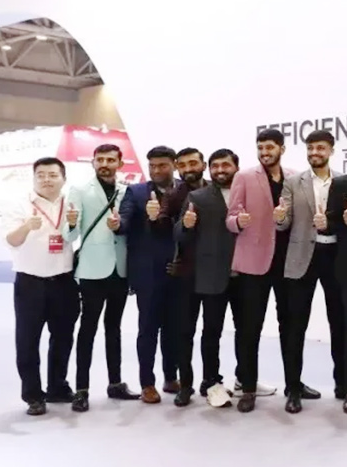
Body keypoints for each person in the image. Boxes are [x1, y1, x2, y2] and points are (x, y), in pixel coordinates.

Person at [226, 129, 297, 412]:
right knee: (249, 329)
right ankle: (248, 388)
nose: (264, 152)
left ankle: (294, 387)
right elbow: (230, 217)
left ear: (281, 149)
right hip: (253, 263)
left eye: (270, 147)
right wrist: (238, 222)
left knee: (290, 328)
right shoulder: (244, 177)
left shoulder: (294, 177)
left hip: (287, 264)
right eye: (260, 147)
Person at [276, 130, 343, 413]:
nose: (315, 152)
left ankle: (344, 385)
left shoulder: (343, 181)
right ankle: (293, 388)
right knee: (295, 326)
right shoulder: (293, 182)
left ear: (331, 150)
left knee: (340, 323)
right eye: (310, 148)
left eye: (320, 148)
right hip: (301, 257)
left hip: (335, 258)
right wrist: (279, 219)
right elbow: (284, 221)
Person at [68, 143, 139, 410]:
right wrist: (71, 223)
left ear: (120, 163)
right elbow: (71, 235)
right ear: (93, 162)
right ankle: (81, 389)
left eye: (110, 160)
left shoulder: (127, 190)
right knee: (87, 329)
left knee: (114, 328)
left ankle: (115, 383)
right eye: (100, 160)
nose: (105, 164)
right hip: (92, 270)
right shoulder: (79, 190)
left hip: (120, 270)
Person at [8, 157, 80, 416]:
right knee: (27, 341)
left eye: (52, 175)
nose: (47, 180)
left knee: (63, 338)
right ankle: (33, 395)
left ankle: (57, 387)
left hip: (64, 281)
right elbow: (12, 240)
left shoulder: (72, 203)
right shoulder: (21, 203)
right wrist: (27, 226)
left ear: (63, 178)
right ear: (34, 178)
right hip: (31, 282)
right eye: (41, 175)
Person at [173, 149, 240, 408]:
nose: (220, 170)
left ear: (236, 167)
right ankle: (185, 385)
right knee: (186, 333)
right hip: (195, 275)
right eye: (216, 166)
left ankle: (212, 382)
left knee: (213, 332)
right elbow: (179, 234)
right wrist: (186, 224)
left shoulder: (244, 193)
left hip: (229, 275)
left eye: (226, 165)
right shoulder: (197, 196)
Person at [118, 145, 183, 403]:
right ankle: (147, 382)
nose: (156, 170)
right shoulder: (136, 192)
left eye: (162, 165)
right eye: (152, 166)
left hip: (180, 271)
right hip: (148, 274)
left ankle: (171, 376)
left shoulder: (186, 189)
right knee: (148, 328)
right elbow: (124, 220)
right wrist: (117, 224)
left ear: (174, 165)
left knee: (174, 328)